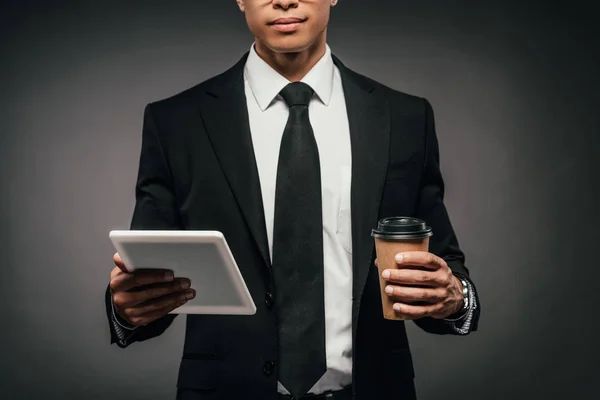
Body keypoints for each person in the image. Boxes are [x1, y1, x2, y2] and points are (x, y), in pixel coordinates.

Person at [105, 1, 481, 399]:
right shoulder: (176, 122)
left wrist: (454, 298)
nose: (284, 0)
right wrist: (127, 309)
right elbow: (148, 277)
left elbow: (444, 270)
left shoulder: (405, 118)